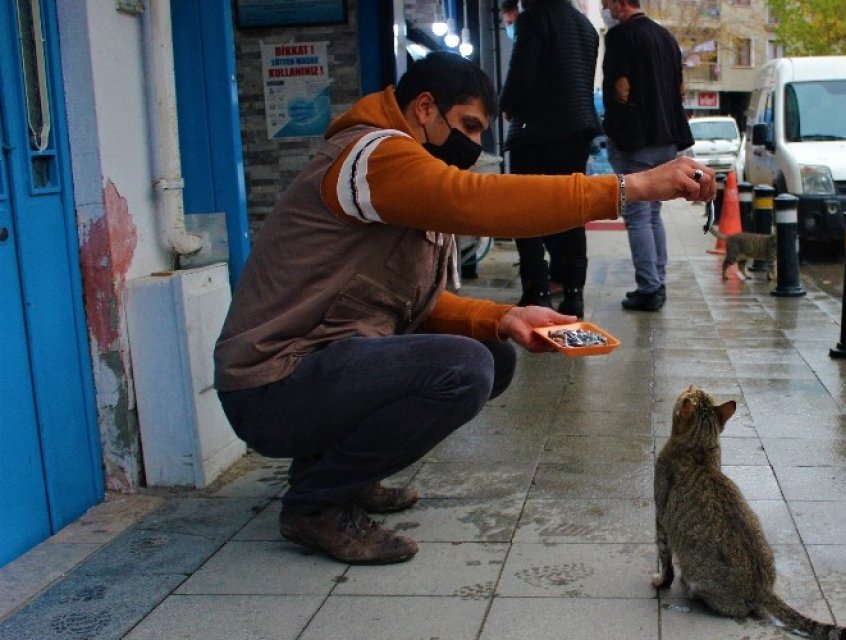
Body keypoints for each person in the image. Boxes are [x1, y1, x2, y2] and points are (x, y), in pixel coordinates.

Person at [214, 53, 713, 565]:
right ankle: (315, 505)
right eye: (469, 126)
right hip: (271, 385)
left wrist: (504, 318)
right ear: (424, 108)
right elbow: (479, 201)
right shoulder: (373, 154)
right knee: (463, 368)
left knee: (492, 353)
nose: (474, 145)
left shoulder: (405, 172)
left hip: (321, 368)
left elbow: (419, 304)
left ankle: (340, 474)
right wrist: (632, 186)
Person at [500, 0, 600, 318]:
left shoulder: (533, 19)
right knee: (571, 211)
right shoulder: (586, 27)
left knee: (525, 210)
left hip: (536, 133)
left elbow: (521, 74)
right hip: (577, 130)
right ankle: (574, 293)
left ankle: (537, 292)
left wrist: (507, 104)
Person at [601, 0, 694, 312]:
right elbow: (679, 89)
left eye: (606, 3)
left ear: (620, 3)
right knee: (653, 213)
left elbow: (618, 91)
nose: (605, 9)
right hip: (667, 137)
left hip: (636, 140)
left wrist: (614, 130)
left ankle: (649, 287)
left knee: (638, 214)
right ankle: (658, 281)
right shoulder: (666, 37)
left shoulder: (620, 36)